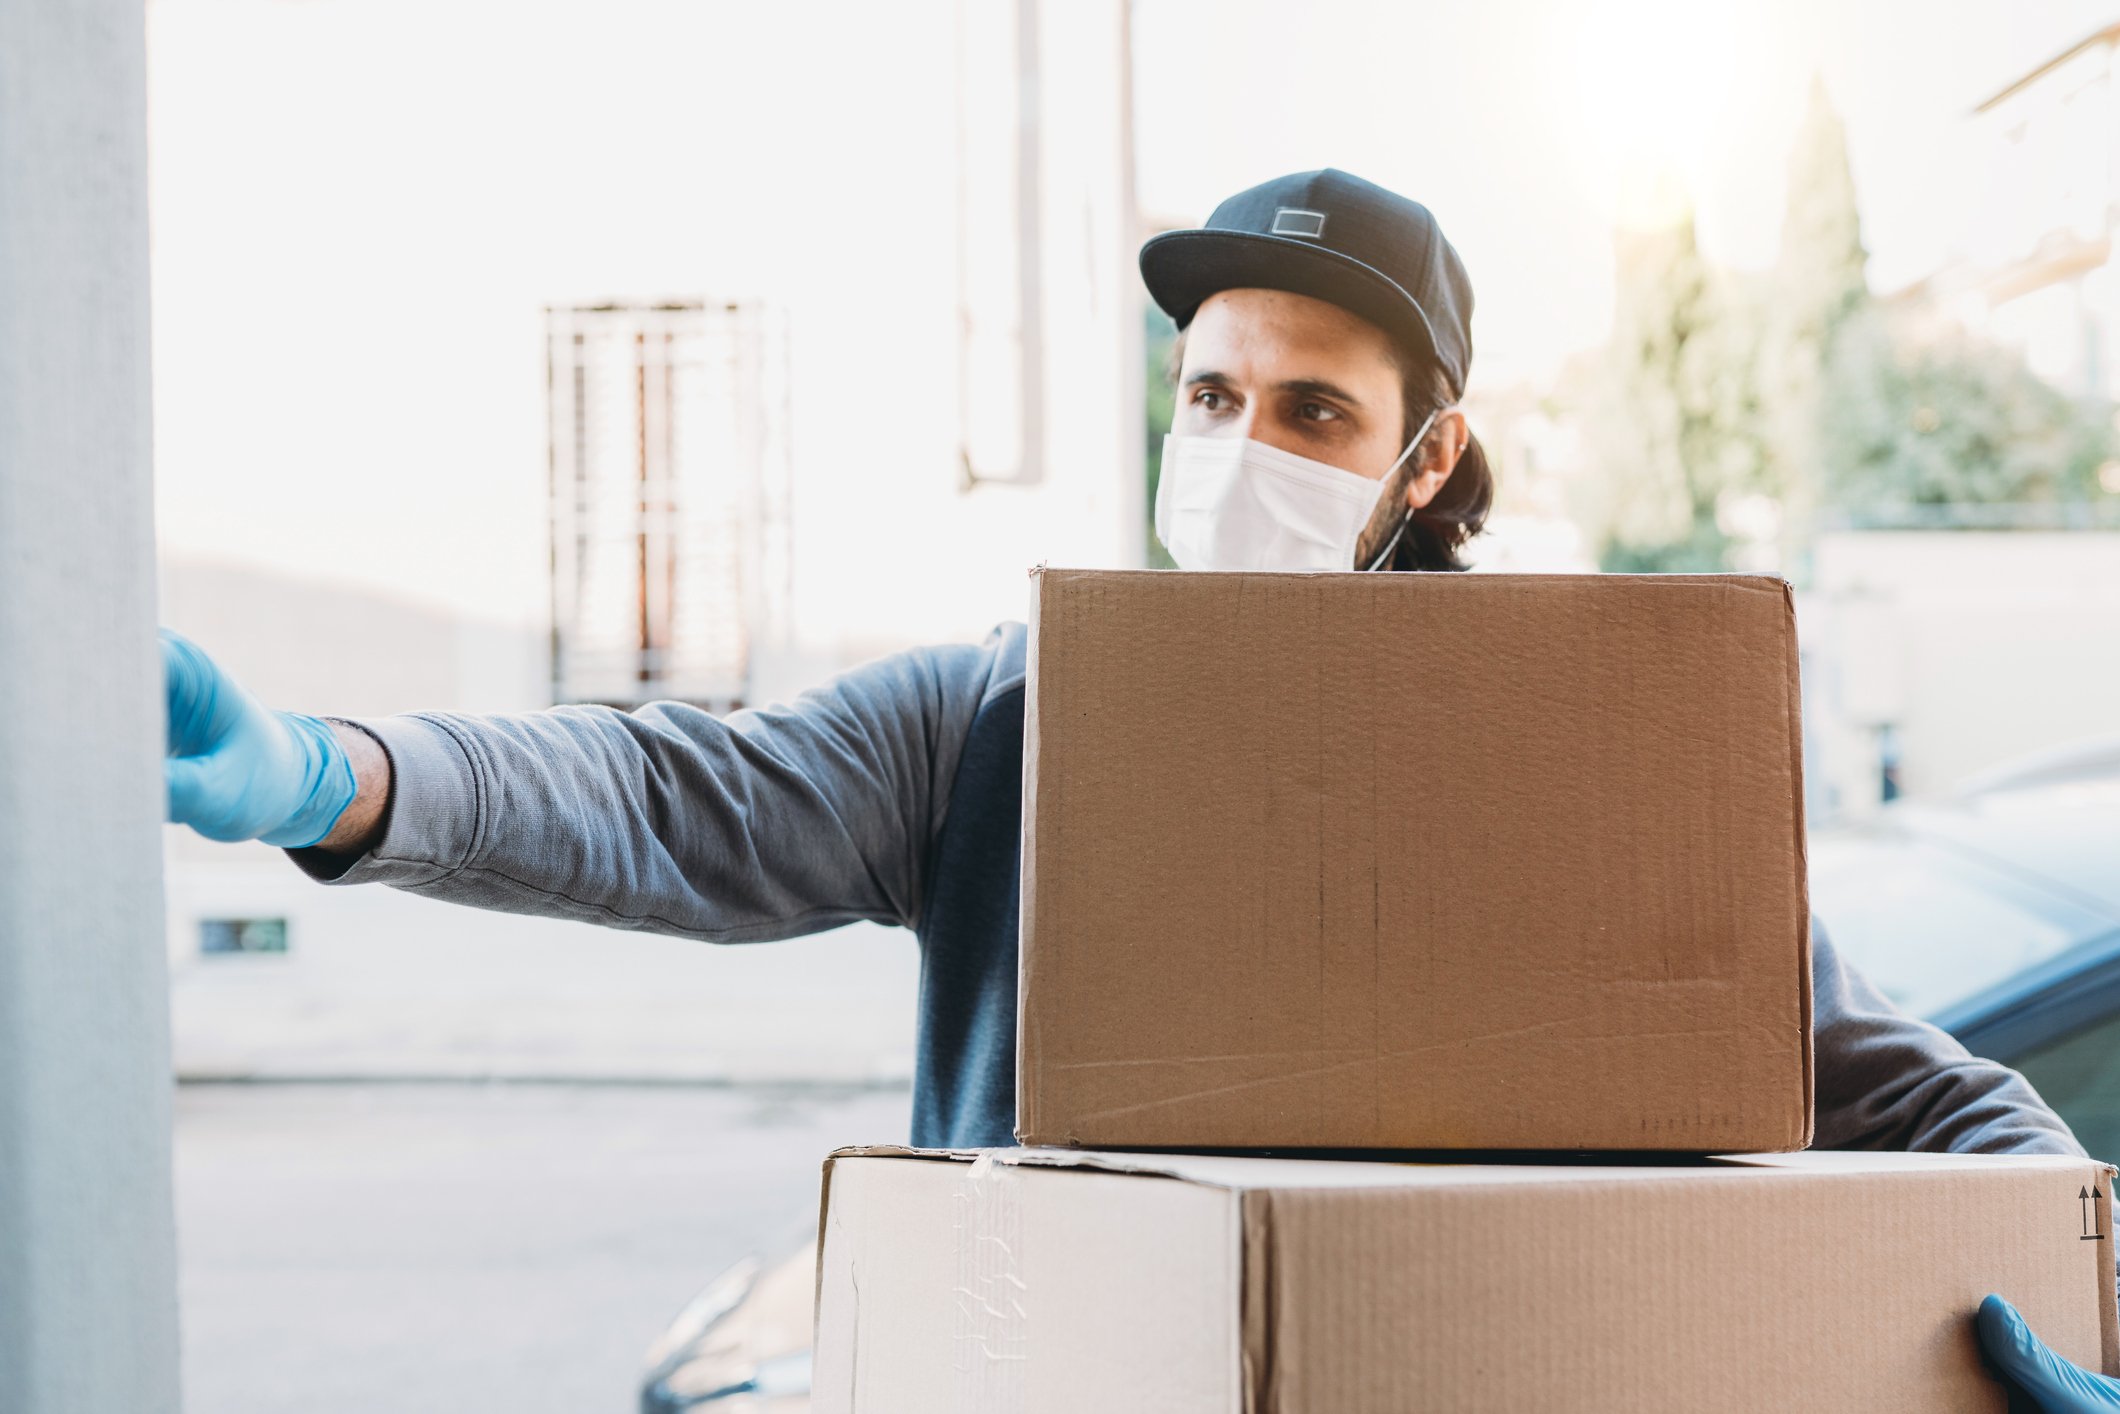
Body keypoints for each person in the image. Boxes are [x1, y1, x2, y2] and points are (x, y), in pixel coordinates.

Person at [161, 168, 2108, 1406]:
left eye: (1311, 411)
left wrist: (2068, 1307)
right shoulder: (1005, 719)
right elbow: (684, 794)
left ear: (1425, 461)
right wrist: (329, 772)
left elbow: (1923, 1092)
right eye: (1208, 392)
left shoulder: (1568, 765)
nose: (1239, 443)